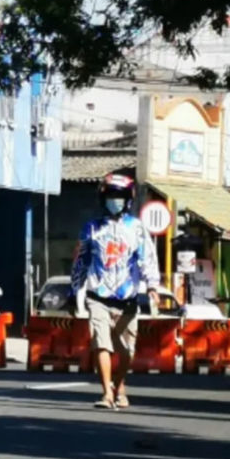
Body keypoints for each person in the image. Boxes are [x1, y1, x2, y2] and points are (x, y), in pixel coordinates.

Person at [71, 173, 161, 410]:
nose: (115, 201)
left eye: (119, 196)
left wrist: (152, 286)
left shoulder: (137, 229)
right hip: (97, 296)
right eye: (111, 196)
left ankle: (118, 386)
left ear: (128, 199)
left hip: (127, 298)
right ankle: (106, 394)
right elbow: (80, 261)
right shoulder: (91, 228)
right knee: (102, 345)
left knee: (127, 352)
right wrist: (75, 291)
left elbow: (147, 260)